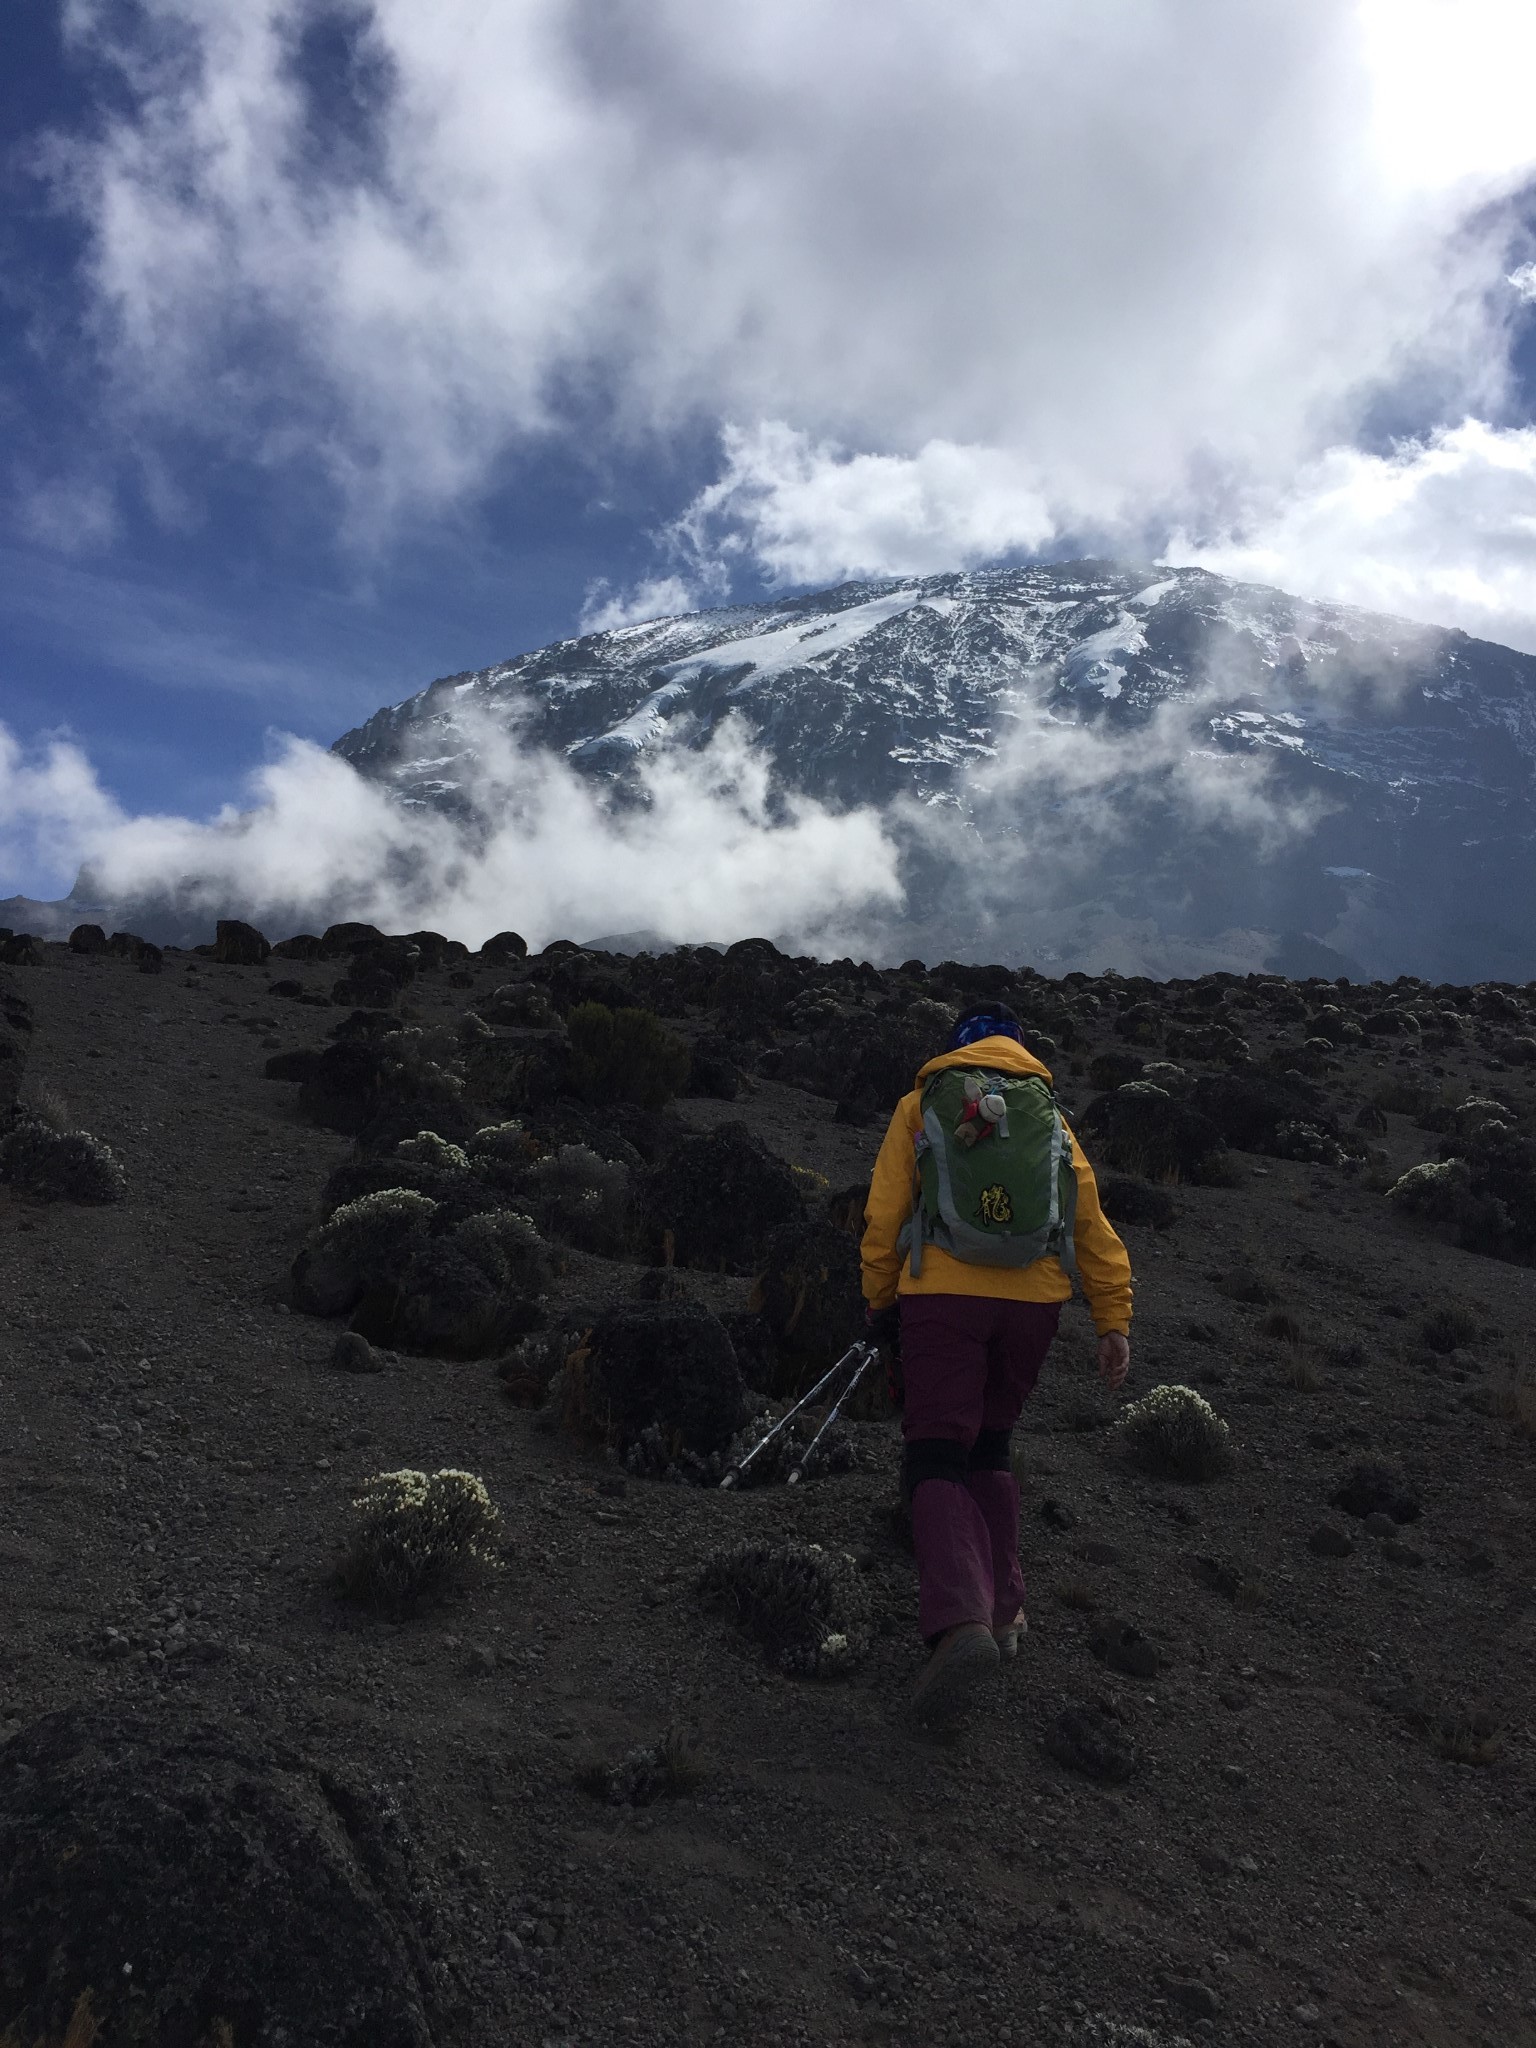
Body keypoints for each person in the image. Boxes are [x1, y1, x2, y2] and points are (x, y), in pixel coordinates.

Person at [861, 1002, 1133, 1724]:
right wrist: (1113, 1320)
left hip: (943, 1295)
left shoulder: (922, 1104)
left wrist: (879, 1300)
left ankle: (960, 1622)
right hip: (1034, 1304)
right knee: (993, 1444)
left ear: (957, 1050)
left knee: (935, 1454)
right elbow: (1092, 1225)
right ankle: (1007, 1611)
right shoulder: (1051, 1115)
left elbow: (886, 1215)